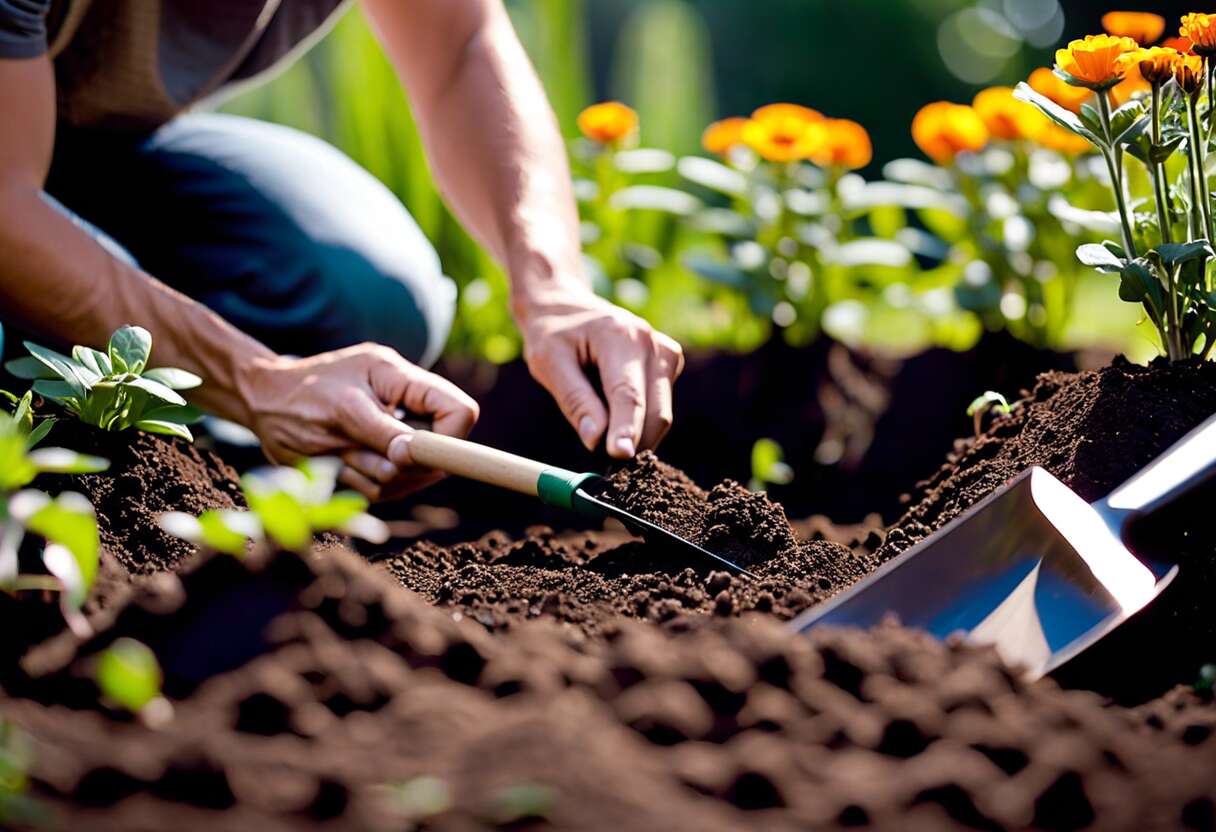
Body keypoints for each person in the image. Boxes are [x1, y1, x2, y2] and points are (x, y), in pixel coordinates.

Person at [0, 0, 683, 500]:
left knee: (365, 294)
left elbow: (461, 46)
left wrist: (552, 288)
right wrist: (258, 379)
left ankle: (216, 452)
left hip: (80, 142)